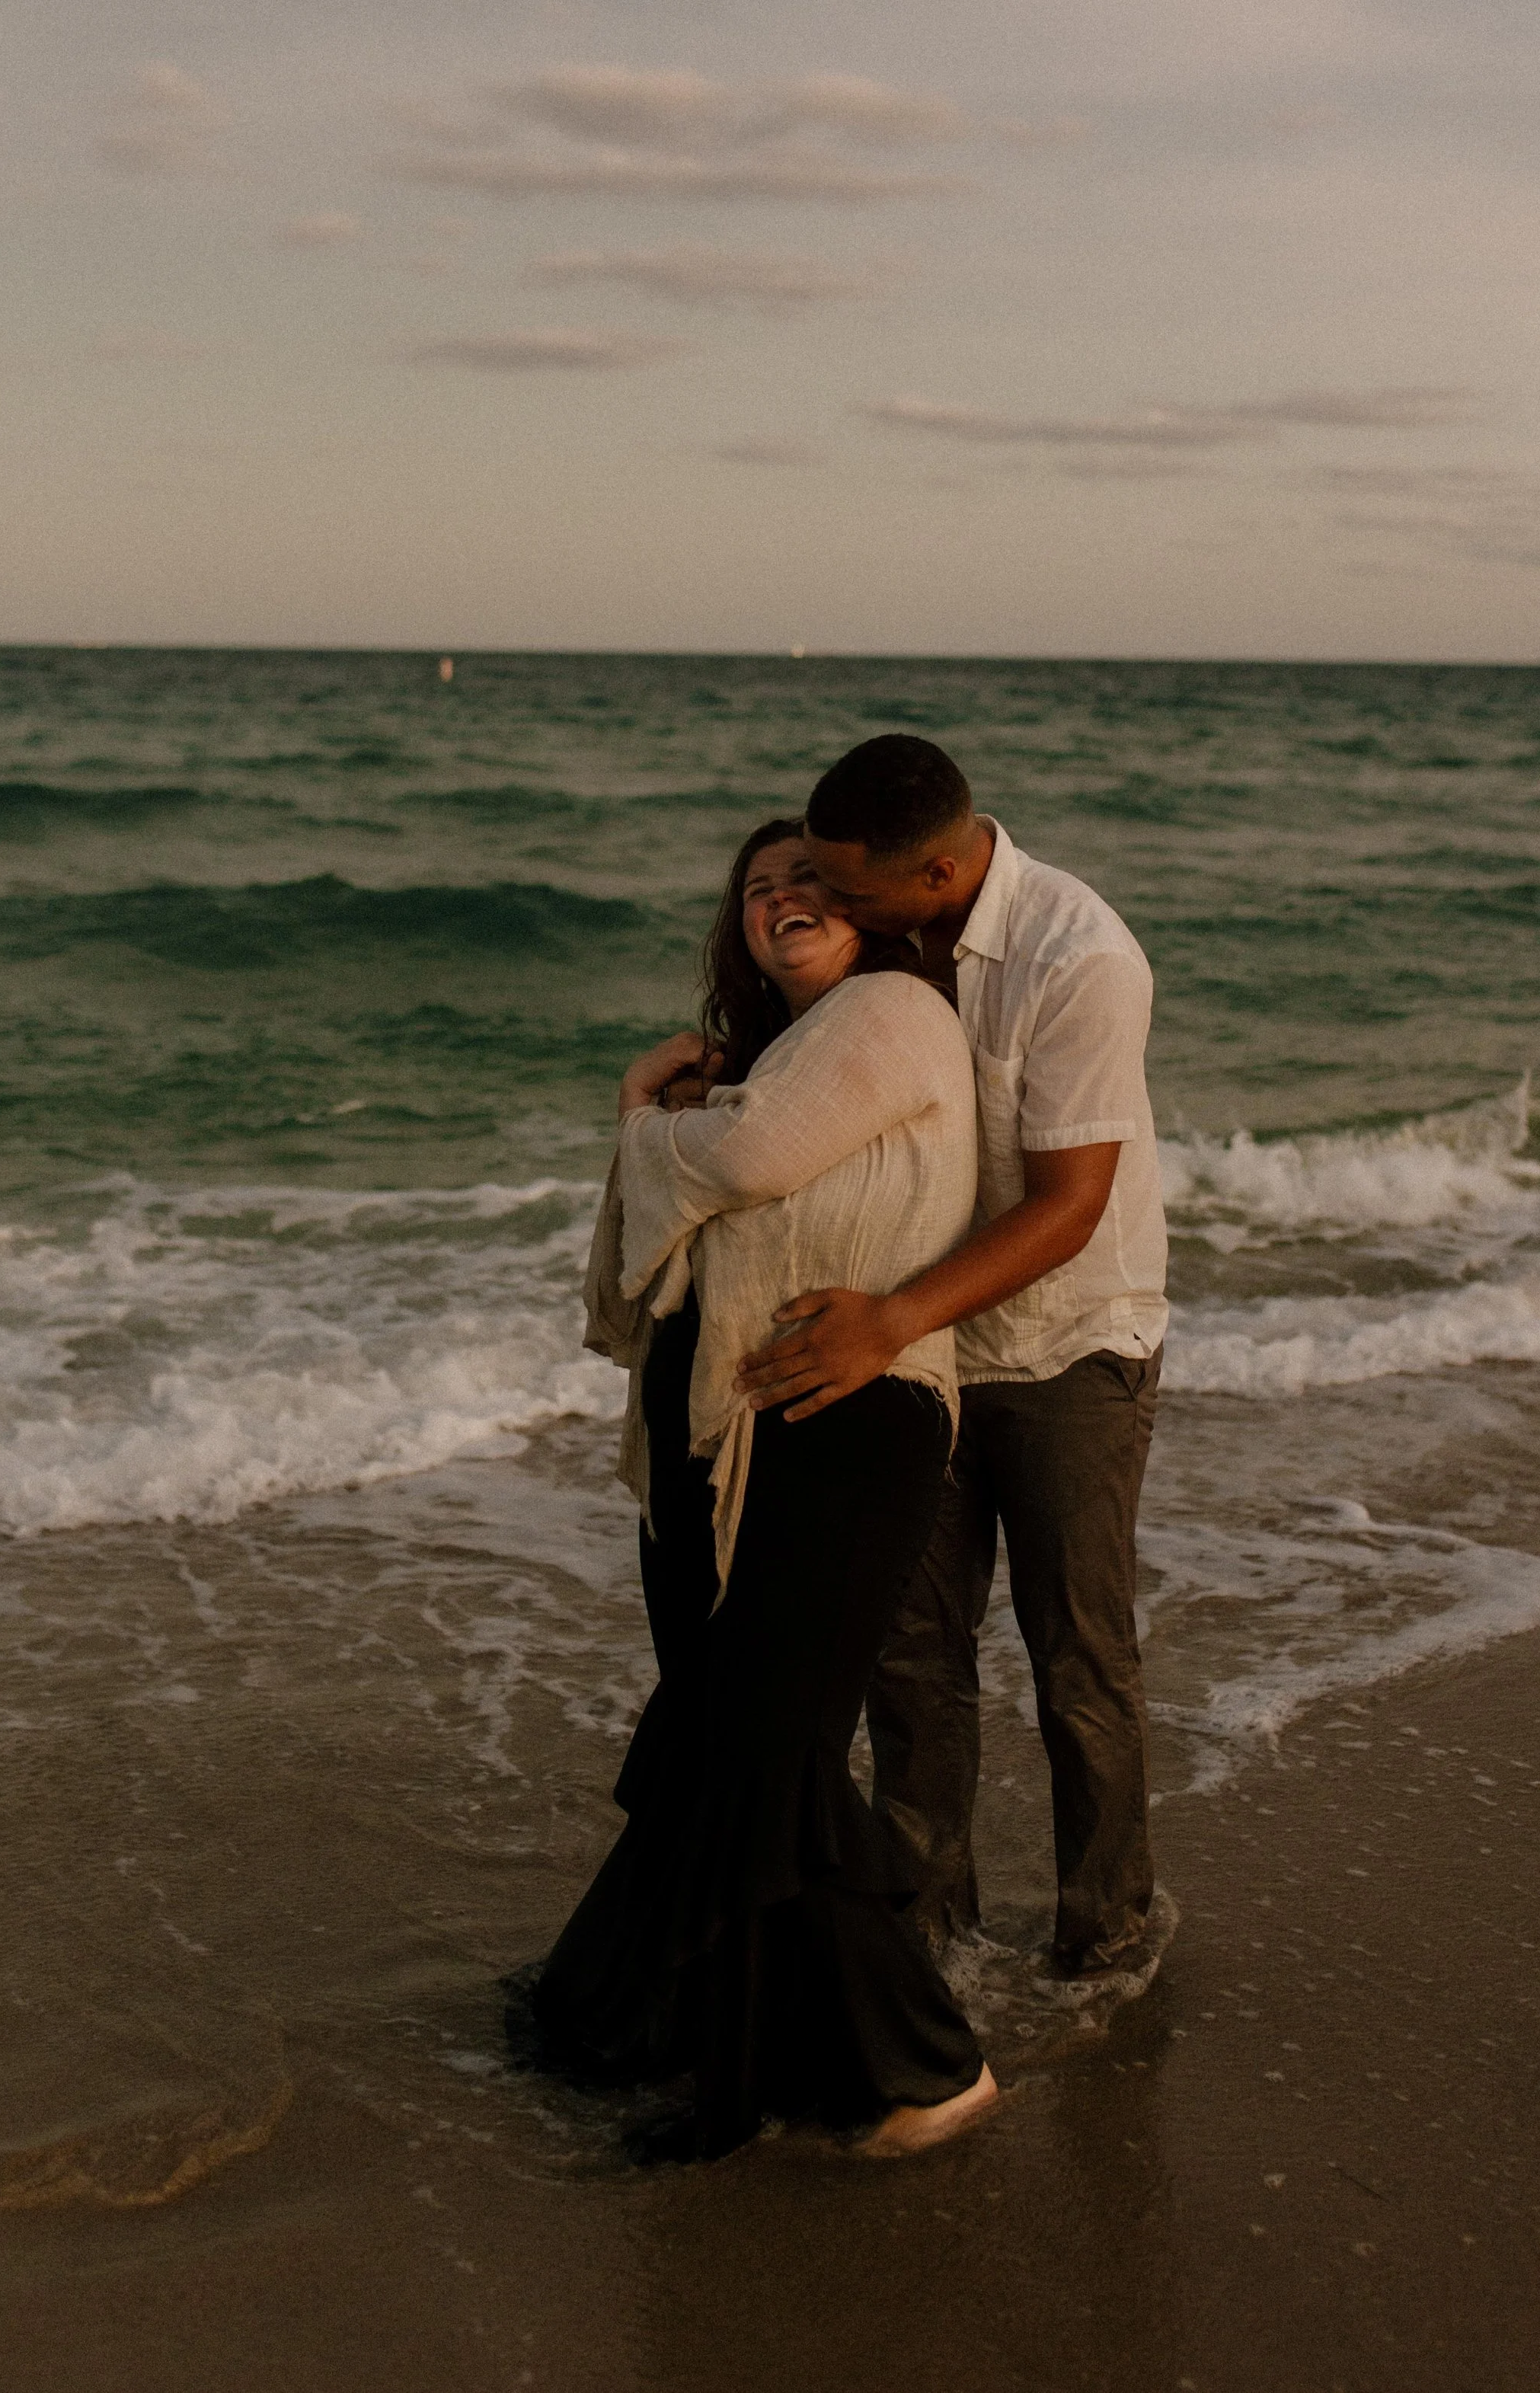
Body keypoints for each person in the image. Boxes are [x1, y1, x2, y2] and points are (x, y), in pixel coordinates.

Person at [522, 818, 997, 2160]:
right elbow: (696, 1210)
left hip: (839, 1429)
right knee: (731, 1748)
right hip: (725, 1435)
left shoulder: (892, 1008)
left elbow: (741, 1165)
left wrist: (642, 1112)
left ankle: (930, 2067)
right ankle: (728, 2041)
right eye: (757, 888)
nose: (780, 900)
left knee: (768, 1756)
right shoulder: (772, 1061)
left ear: (867, 902)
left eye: (807, 880)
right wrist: (693, 1113)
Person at [736, 737, 1168, 1979]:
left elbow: (1067, 1205)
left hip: (1066, 1344)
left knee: (1078, 1659)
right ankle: (926, 1946)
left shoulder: (1078, 956)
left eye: (845, 888)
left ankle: (1108, 1937)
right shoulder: (874, 935)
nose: (822, 903)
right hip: (920, 1354)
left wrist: (886, 1318)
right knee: (908, 1655)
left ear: (935, 874)